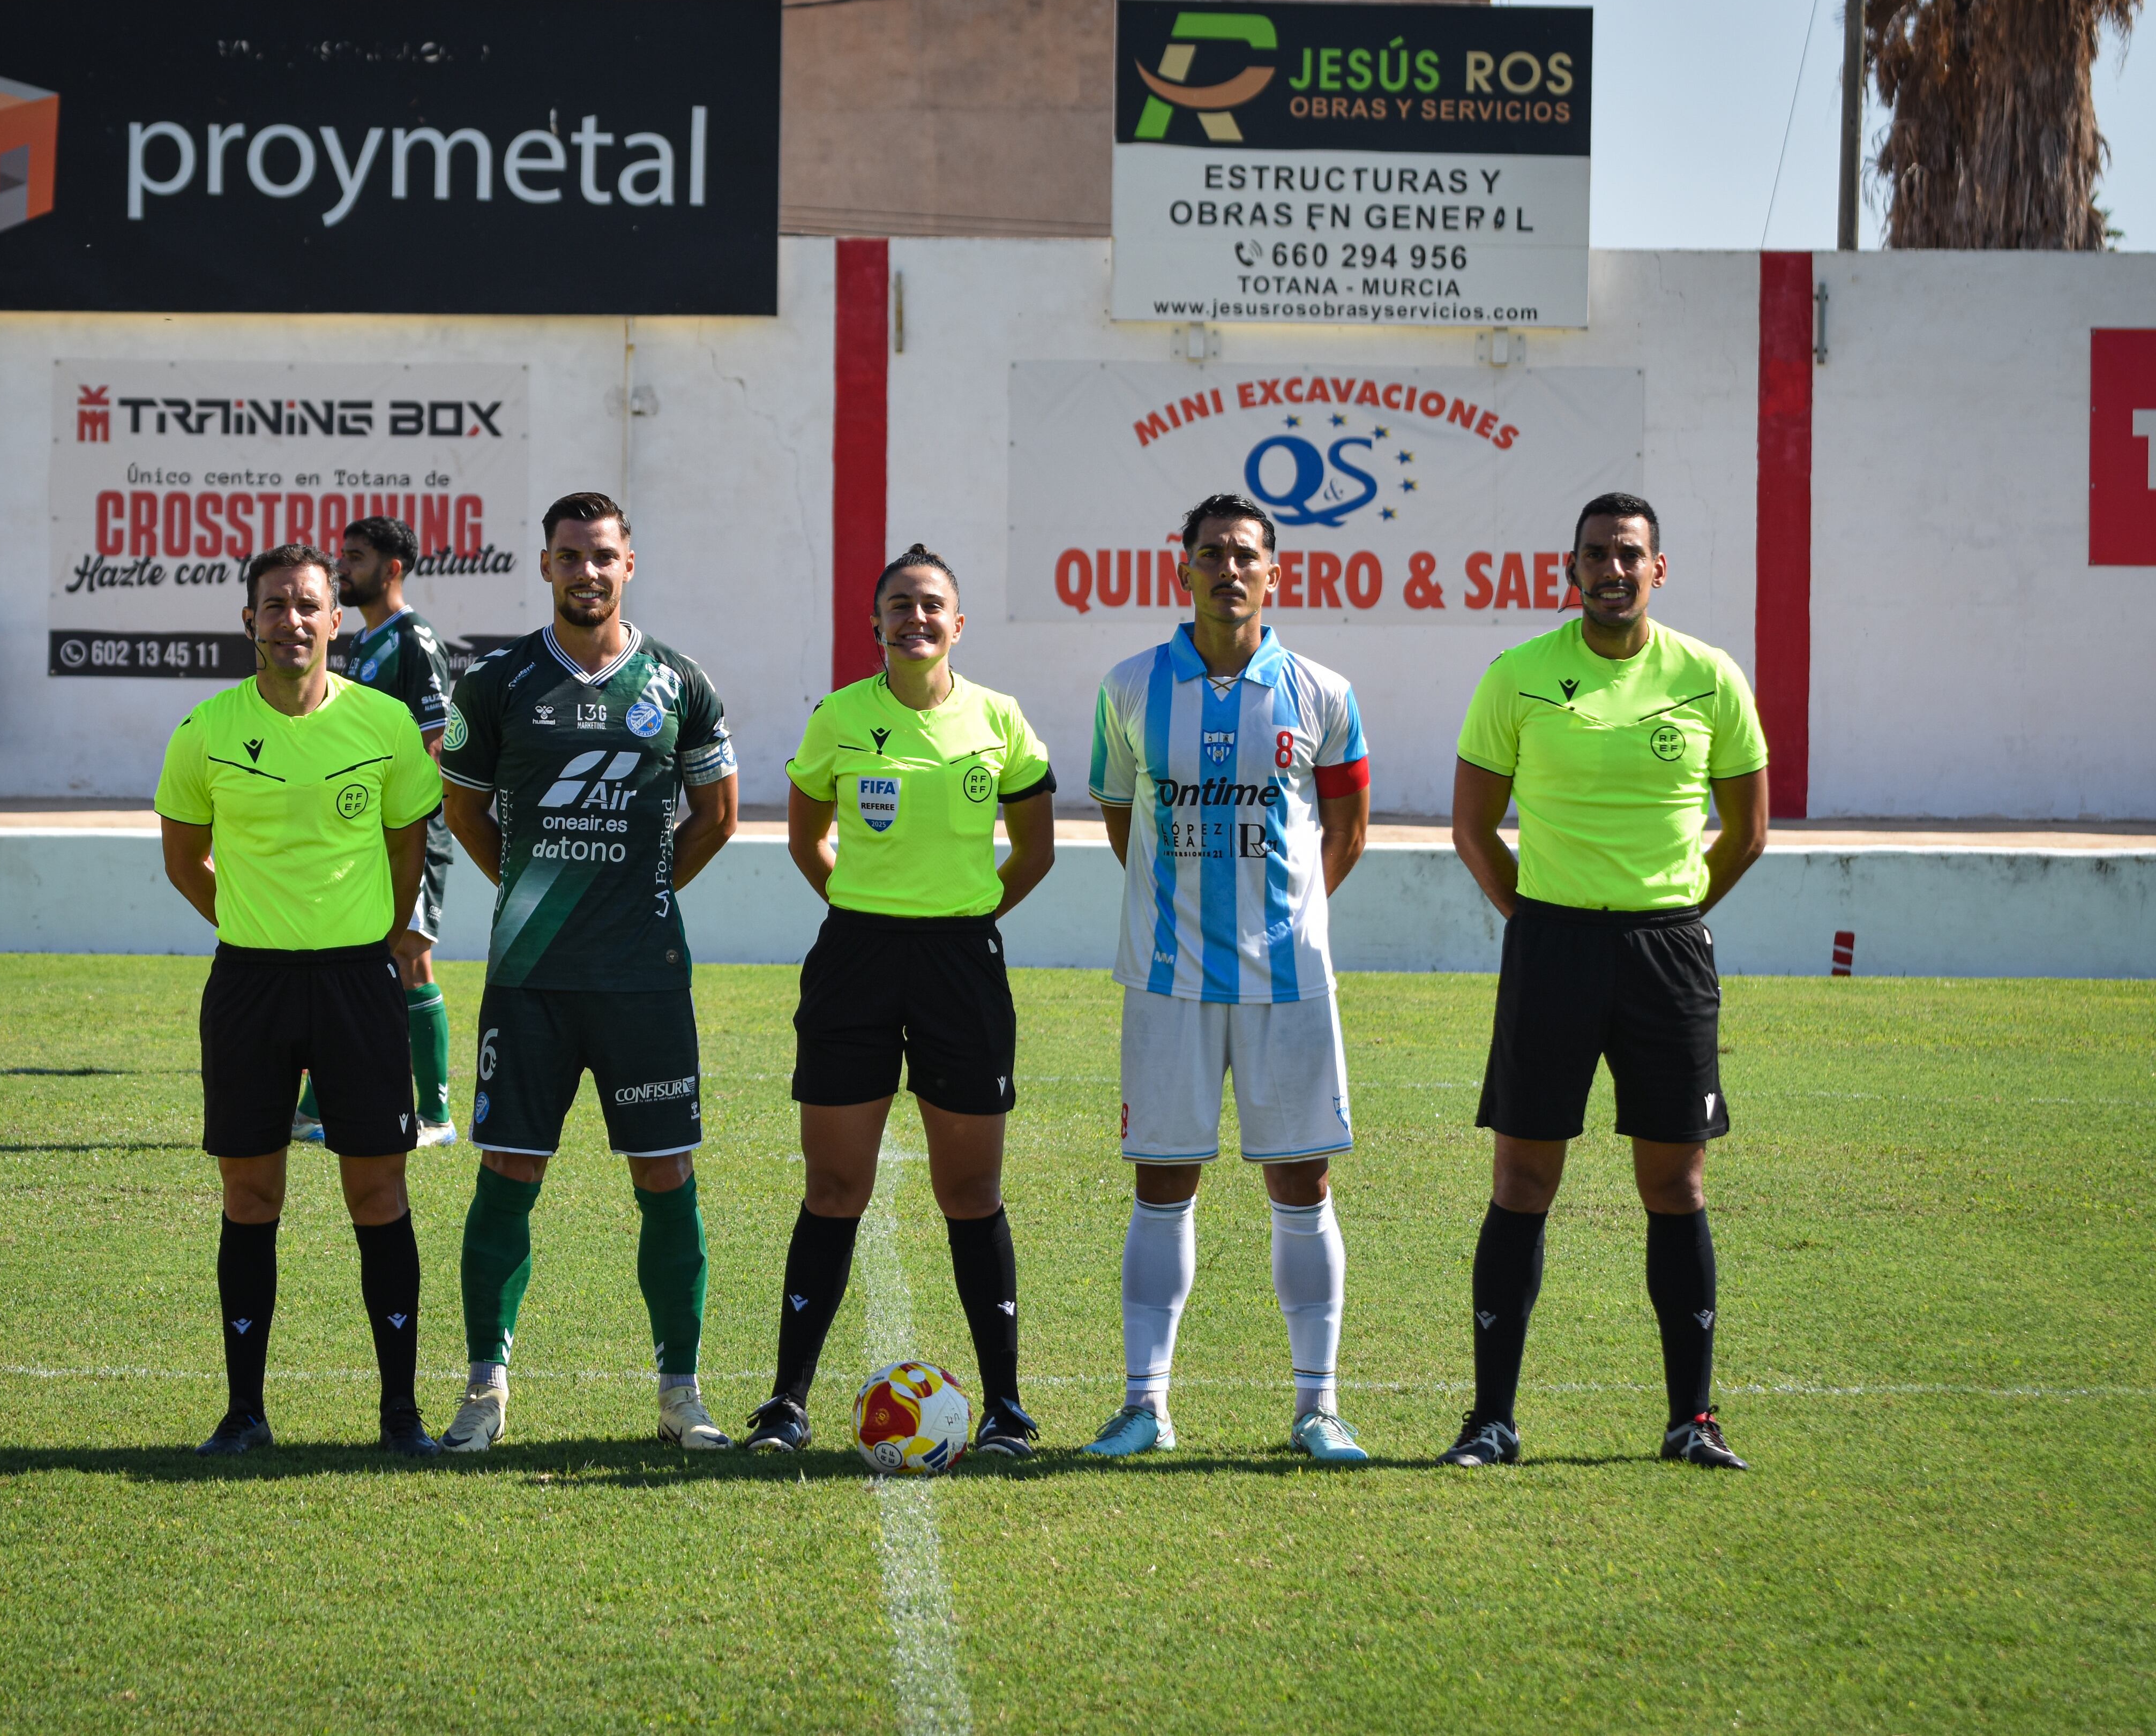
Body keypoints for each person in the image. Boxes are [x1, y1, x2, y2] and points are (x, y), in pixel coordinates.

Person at [1439, 491, 1769, 1472]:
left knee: (1676, 1181)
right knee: (1523, 1179)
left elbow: (1747, 832)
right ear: (1569, 569)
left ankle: (1692, 1420)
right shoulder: (1520, 675)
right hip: (1551, 949)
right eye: (1595, 554)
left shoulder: (1708, 677)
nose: (1612, 569)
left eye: (1630, 554)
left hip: (1667, 954)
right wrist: (1538, 920)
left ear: (1658, 568)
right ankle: (1490, 1420)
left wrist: (1666, 914)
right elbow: (1472, 826)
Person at [433, 492, 742, 1454]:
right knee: (509, 1167)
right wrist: (537, 893)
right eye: (569, 556)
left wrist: (643, 890)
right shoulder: (496, 682)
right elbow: (466, 813)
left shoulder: (680, 680)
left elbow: (717, 814)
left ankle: (680, 1393)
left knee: (665, 1172)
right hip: (530, 976)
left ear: (628, 565)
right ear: (546, 567)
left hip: (644, 980)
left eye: (602, 556)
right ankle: (485, 1386)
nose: (586, 572)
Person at [743, 545, 1058, 1460]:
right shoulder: (840, 717)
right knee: (834, 1186)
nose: (915, 619)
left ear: (958, 624)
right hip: (856, 958)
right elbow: (809, 838)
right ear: (875, 623)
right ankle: (786, 1403)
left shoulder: (999, 719)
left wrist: (963, 916)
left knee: (970, 1189)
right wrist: (868, 909)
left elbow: (1032, 852)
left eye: (932, 606)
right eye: (898, 606)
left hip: (962, 960)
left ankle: (1006, 1407)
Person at [1079, 493, 1374, 1465]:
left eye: (1246, 554)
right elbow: (1124, 822)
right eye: (1210, 554)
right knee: (1162, 1178)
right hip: (1167, 978)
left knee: (1302, 1178)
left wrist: (1282, 918)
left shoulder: (1324, 691)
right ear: (1184, 571)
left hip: (1289, 978)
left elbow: (1346, 830)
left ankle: (1317, 1407)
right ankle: (1145, 1404)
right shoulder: (1128, 687)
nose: (1228, 569)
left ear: (1275, 572)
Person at [155, 542, 446, 1458]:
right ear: (250, 621)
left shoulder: (387, 725)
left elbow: (408, 849)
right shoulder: (204, 729)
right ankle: (245, 1411)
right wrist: (253, 922)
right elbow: (183, 858)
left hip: (358, 983)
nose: (292, 620)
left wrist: (369, 933)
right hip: (249, 984)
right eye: (275, 605)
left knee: (379, 1190)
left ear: (334, 619)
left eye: (308, 605)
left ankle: (400, 1413)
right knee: (250, 1194)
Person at [302, 512, 459, 1150]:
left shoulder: (414, 639)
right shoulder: (364, 642)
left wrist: (401, 823)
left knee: (409, 957)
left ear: (392, 568)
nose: (343, 567)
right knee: (351, 958)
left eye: (357, 557)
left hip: (406, 830)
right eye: (343, 556)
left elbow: (435, 741)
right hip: (359, 830)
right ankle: (313, 1107)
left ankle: (437, 1118)